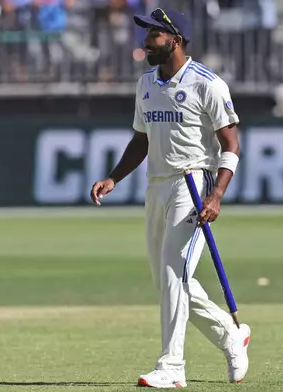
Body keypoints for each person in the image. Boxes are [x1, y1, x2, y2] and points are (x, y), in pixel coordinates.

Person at [89, 8, 250, 389]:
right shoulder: (145, 83)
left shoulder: (207, 84)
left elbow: (231, 144)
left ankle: (172, 367)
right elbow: (141, 139)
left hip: (192, 183)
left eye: (154, 35)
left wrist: (217, 195)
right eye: (146, 33)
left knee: (172, 275)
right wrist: (114, 177)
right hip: (156, 185)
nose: (145, 41)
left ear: (175, 40)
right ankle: (229, 334)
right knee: (168, 281)